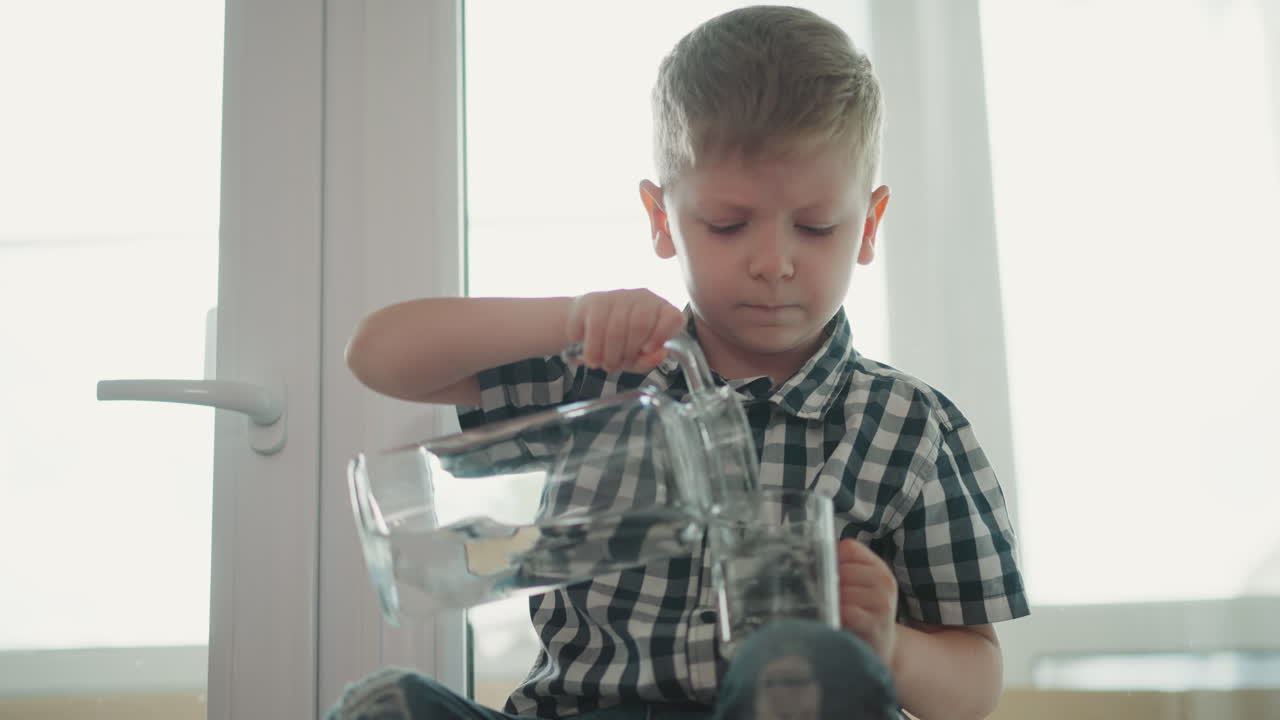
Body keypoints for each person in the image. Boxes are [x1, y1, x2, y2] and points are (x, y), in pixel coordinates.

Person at [333, 5, 1028, 720]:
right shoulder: (595, 371)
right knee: (386, 706)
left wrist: (890, 647)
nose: (774, 263)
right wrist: (569, 318)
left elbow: (975, 684)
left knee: (806, 664)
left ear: (869, 225)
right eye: (728, 225)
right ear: (662, 219)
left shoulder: (912, 428)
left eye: (816, 227)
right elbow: (378, 356)